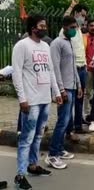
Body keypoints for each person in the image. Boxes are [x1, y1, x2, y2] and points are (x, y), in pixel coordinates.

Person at [12, 14, 62, 190]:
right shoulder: (22, 46)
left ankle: (32, 165)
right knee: (26, 138)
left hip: (44, 99)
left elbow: (51, 71)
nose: (45, 28)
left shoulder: (46, 47)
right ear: (33, 27)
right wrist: (22, 98)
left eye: (45, 26)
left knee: (39, 135)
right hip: (31, 101)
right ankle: (20, 175)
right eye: (41, 26)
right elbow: (17, 73)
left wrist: (56, 92)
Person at [46, 16, 83, 169]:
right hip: (64, 88)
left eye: (76, 27)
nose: (75, 30)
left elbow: (72, 66)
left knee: (67, 120)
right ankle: (52, 155)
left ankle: (60, 149)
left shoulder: (69, 42)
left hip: (72, 86)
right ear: (65, 27)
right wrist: (60, 90)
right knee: (62, 122)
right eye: (72, 27)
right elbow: (55, 68)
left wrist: (79, 85)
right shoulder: (56, 43)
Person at [63, 0, 88, 140]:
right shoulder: (69, 30)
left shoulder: (79, 31)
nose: (83, 18)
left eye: (84, 16)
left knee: (80, 99)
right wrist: (71, 5)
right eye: (82, 15)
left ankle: (78, 126)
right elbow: (65, 18)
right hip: (72, 70)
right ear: (76, 13)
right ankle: (69, 129)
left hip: (82, 68)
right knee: (70, 102)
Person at [83, 19, 94, 122]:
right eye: (91, 25)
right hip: (88, 69)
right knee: (87, 92)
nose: (93, 27)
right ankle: (86, 113)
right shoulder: (84, 38)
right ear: (88, 27)